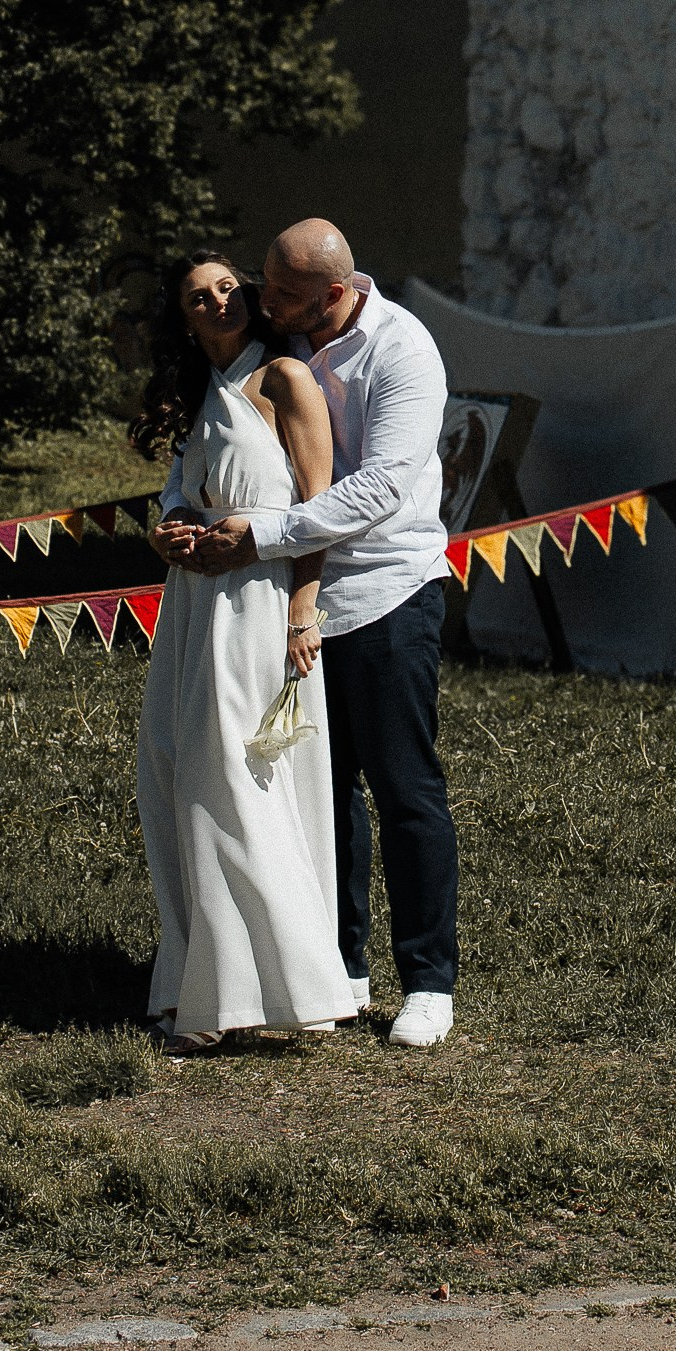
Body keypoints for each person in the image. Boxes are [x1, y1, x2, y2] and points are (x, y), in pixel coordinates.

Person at [159, 218, 460, 1048]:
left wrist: (258, 539)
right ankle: (339, 965)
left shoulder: (402, 352)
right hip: (278, 601)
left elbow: (380, 491)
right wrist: (176, 516)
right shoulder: (268, 344)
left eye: (283, 293)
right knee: (314, 795)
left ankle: (429, 981)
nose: (262, 300)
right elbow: (208, 452)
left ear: (335, 293)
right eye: (262, 282)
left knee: (404, 790)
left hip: (386, 591)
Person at [133, 252, 355, 1054]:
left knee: (232, 776)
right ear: (186, 319)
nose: (219, 302)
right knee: (169, 767)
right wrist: (172, 523)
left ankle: (292, 983)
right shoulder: (199, 398)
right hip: (194, 606)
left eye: (228, 288)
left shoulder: (286, 380)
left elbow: (321, 509)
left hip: (259, 610)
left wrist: (304, 611)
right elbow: (184, 490)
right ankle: (202, 981)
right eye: (200, 297)